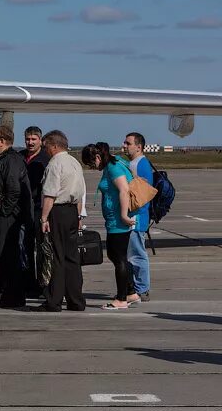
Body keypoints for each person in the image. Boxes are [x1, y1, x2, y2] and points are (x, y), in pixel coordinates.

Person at [82, 142, 141, 310]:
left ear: (98, 157)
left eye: (91, 163)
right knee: (116, 256)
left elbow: (124, 190)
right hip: (115, 220)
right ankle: (130, 291)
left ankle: (122, 299)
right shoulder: (114, 163)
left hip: (118, 221)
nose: (92, 167)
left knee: (118, 257)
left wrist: (123, 215)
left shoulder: (113, 167)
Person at [37, 131, 86, 313]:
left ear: (54, 146)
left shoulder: (55, 164)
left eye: (46, 146)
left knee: (56, 255)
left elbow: (50, 194)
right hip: (73, 211)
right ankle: (76, 300)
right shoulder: (75, 162)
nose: (45, 150)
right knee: (72, 257)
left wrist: (44, 218)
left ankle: (54, 300)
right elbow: (80, 194)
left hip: (57, 210)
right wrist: (78, 216)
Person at [0, 125, 30, 307]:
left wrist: (4, 212)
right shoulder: (5, 159)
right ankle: (10, 294)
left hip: (10, 217)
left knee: (9, 256)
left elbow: (13, 189)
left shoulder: (10, 160)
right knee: (5, 256)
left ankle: (13, 296)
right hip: (7, 214)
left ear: (3, 141)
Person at [122, 132, 153, 300]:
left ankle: (142, 289)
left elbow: (142, 193)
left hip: (137, 217)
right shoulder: (133, 163)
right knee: (131, 254)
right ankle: (135, 288)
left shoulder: (140, 164)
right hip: (134, 216)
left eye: (128, 143)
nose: (124, 146)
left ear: (138, 146)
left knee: (137, 254)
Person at [21, 125, 49, 294]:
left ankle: (43, 283)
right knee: (25, 247)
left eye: (33, 139)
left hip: (39, 207)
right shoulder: (20, 157)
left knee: (42, 248)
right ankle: (28, 282)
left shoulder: (45, 159)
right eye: (28, 139)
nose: (30, 142)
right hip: (23, 207)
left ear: (40, 140)